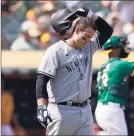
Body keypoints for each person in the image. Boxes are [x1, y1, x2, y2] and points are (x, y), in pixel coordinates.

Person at [36, 6, 113, 135]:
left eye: (90, 38)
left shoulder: (88, 46)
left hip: (85, 110)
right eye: (85, 37)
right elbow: (42, 80)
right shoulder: (56, 51)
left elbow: (107, 30)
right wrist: (41, 107)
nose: (87, 41)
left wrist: (90, 14)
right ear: (76, 30)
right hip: (61, 110)